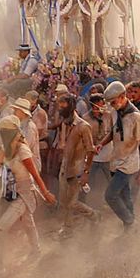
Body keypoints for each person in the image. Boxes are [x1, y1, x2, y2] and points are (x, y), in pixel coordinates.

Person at [0, 116, 55, 278]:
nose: (2, 134)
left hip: (24, 194)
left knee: (0, 229)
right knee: (28, 222)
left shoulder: (23, 150)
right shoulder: (5, 149)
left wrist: (46, 194)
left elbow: (35, 176)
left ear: (12, 132)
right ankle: (36, 250)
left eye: (5, 132)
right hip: (11, 193)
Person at [100, 81, 140, 227]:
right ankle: (130, 227)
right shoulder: (116, 112)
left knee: (110, 195)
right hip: (116, 161)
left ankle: (129, 220)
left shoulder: (135, 117)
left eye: (113, 102)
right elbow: (114, 133)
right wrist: (101, 144)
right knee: (125, 196)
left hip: (128, 164)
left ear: (122, 97)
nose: (112, 105)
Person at [53, 94, 97, 230]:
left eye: (63, 105)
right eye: (59, 104)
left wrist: (86, 172)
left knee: (72, 203)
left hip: (76, 170)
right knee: (64, 202)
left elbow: (91, 150)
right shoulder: (64, 124)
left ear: (71, 105)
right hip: (64, 168)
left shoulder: (83, 127)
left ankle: (94, 215)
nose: (60, 108)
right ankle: (68, 228)